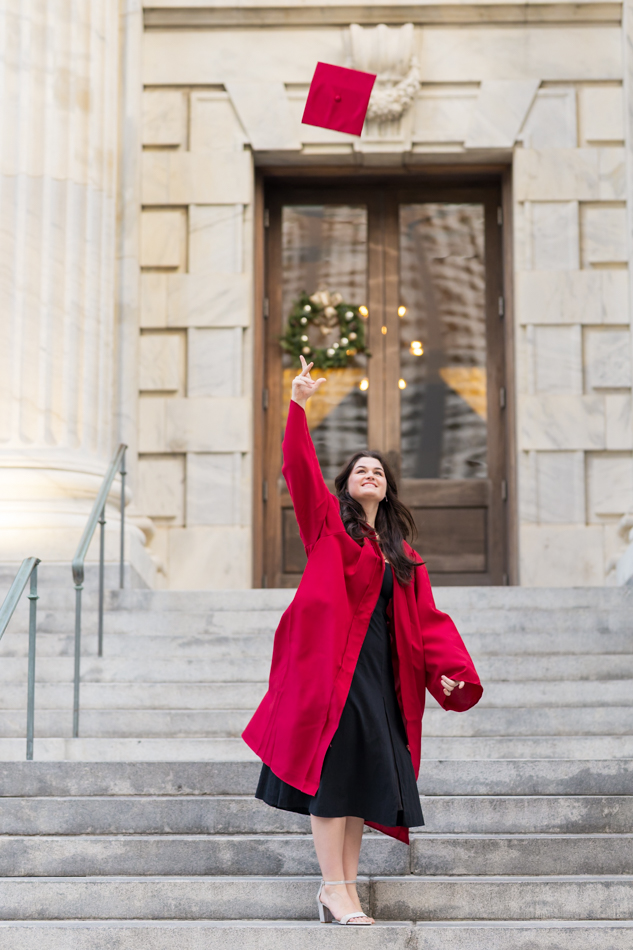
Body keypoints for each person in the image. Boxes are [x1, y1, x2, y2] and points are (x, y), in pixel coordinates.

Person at [243, 356, 483, 926]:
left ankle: (340, 889)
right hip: (330, 673)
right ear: (347, 485)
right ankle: (334, 888)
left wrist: (449, 672)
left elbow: (428, 621)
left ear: (388, 488)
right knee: (332, 777)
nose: (369, 474)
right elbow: (299, 468)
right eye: (360, 470)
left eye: (378, 470)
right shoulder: (327, 525)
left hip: (379, 677)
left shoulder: (404, 557)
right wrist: (299, 404)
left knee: (355, 781)